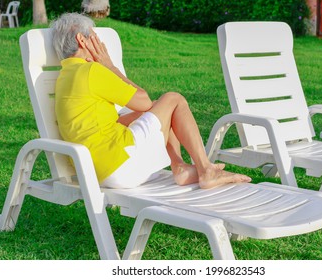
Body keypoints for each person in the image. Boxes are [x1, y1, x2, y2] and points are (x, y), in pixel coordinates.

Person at [51, 13, 251, 189]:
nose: (99, 43)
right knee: (173, 99)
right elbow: (143, 101)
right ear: (82, 40)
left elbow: (101, 125)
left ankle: (180, 167)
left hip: (98, 173)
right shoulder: (91, 71)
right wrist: (110, 66)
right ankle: (207, 170)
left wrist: (151, 109)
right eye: (94, 37)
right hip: (120, 164)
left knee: (159, 108)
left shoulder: (64, 78)